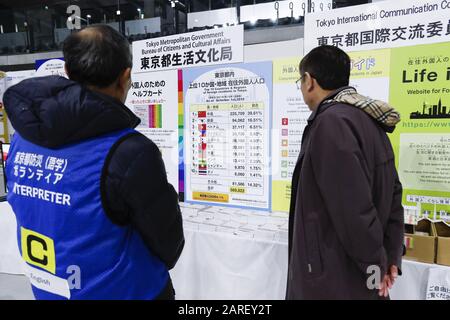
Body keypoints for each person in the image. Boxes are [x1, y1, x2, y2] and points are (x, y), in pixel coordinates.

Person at [3, 25, 184, 300]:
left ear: (68, 72)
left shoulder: (23, 138)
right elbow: (168, 241)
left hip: (51, 290)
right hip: (129, 291)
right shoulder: (130, 151)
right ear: (125, 77)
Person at [286, 45, 404, 300]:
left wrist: (378, 265)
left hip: (335, 278)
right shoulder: (371, 121)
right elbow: (394, 193)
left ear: (309, 81)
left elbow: (355, 212)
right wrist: (391, 255)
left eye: (300, 80)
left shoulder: (331, 123)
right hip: (357, 273)